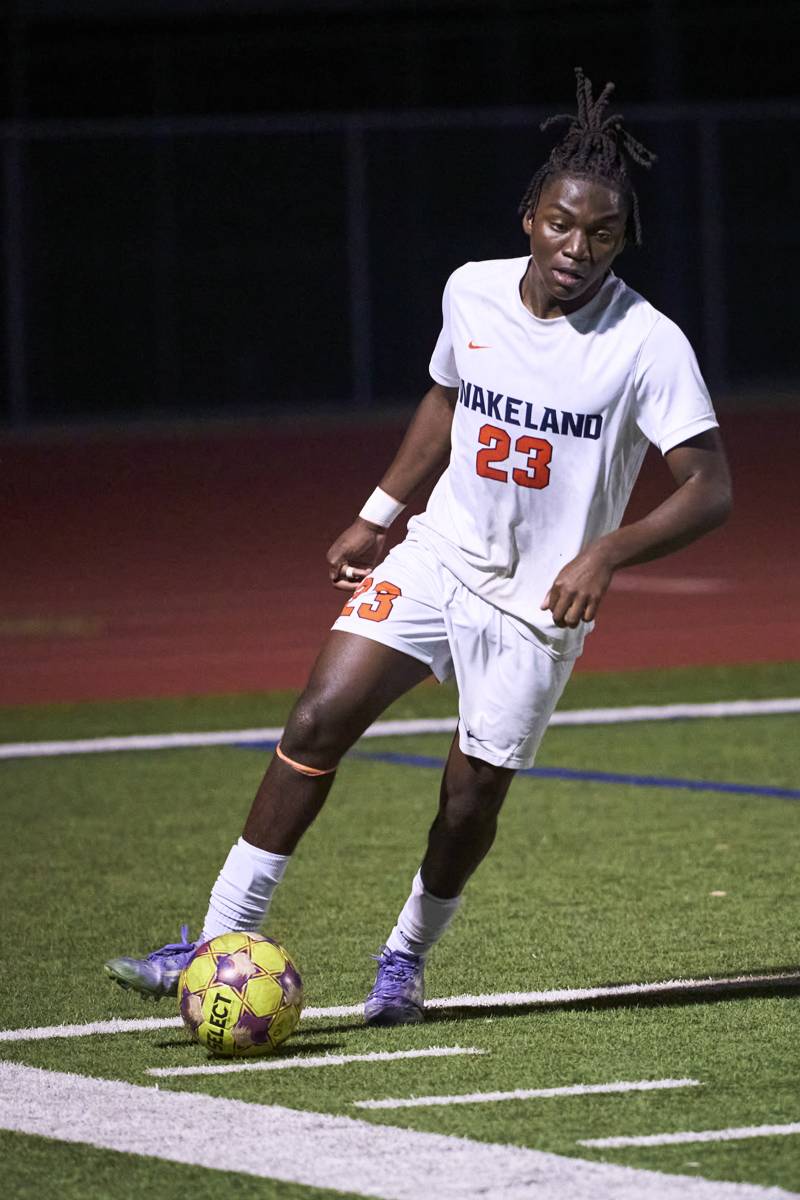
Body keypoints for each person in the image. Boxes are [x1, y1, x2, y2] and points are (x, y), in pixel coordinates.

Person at [105, 68, 732, 1026]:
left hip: (534, 606)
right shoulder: (472, 293)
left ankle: (403, 961)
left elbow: (711, 488)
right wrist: (380, 509)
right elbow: (445, 398)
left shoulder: (649, 344)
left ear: (623, 238)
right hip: (438, 556)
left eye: (603, 233)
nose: (579, 247)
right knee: (317, 719)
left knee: (467, 802)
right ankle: (214, 941)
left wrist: (607, 552)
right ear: (529, 214)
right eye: (562, 223)